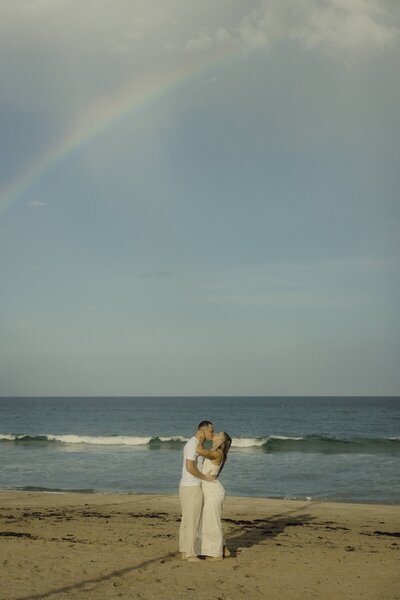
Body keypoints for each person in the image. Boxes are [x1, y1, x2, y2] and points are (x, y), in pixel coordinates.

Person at [179, 420, 215, 562]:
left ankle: (184, 551)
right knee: (192, 521)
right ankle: (190, 554)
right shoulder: (192, 445)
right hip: (192, 487)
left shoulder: (196, 444)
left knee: (187, 520)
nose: (213, 434)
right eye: (211, 431)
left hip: (188, 486)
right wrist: (205, 477)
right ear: (202, 431)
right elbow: (190, 467)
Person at [196, 431, 232, 560]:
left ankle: (216, 555)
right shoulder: (217, 452)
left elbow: (199, 450)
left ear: (221, 442)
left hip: (212, 491)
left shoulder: (216, 453)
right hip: (211, 488)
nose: (215, 435)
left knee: (212, 522)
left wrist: (200, 438)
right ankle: (224, 549)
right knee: (211, 520)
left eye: (218, 435)